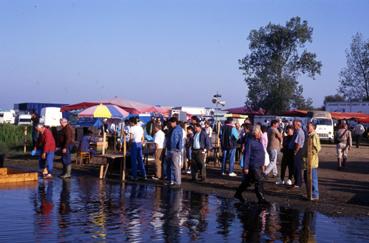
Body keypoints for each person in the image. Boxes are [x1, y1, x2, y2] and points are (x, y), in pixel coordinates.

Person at [234, 125, 268, 204]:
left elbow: (261, 153)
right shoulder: (250, 141)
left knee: (248, 181)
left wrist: (263, 165)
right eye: (259, 132)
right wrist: (245, 167)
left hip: (258, 164)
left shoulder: (258, 141)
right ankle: (261, 198)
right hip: (253, 165)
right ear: (256, 133)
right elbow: (247, 154)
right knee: (259, 180)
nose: (261, 134)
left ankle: (238, 193)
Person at [303, 122, 321, 201]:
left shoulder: (314, 135)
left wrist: (309, 153)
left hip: (311, 161)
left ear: (313, 127)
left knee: (312, 179)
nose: (307, 127)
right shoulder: (309, 135)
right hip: (306, 162)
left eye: (308, 126)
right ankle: (309, 193)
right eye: (307, 126)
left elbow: (317, 148)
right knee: (306, 178)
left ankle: (315, 194)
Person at [165, 117, 183, 187]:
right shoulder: (174, 129)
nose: (170, 124)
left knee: (175, 167)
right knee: (171, 166)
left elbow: (174, 140)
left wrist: (172, 148)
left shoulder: (176, 129)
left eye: (171, 123)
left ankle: (177, 182)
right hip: (172, 150)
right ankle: (172, 181)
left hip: (174, 150)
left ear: (174, 122)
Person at [290, 120, 305, 188]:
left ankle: (298, 183)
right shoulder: (297, 131)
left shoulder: (299, 132)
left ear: (298, 125)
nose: (293, 126)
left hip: (298, 151)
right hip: (296, 150)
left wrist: (295, 151)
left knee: (297, 167)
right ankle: (297, 182)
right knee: (295, 167)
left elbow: (298, 144)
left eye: (294, 124)